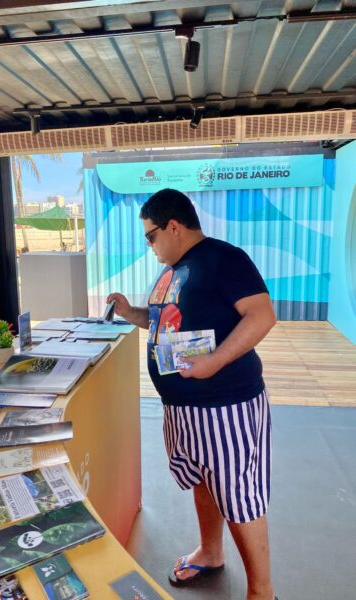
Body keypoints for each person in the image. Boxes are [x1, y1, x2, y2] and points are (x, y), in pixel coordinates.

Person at [107, 189, 277, 600]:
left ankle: (262, 591)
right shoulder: (173, 270)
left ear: (173, 226)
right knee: (204, 479)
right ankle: (211, 551)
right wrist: (131, 313)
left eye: (150, 236)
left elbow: (262, 316)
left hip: (226, 406)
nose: (149, 246)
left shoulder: (224, 258)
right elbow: (164, 321)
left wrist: (214, 362)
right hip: (184, 409)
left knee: (239, 495)